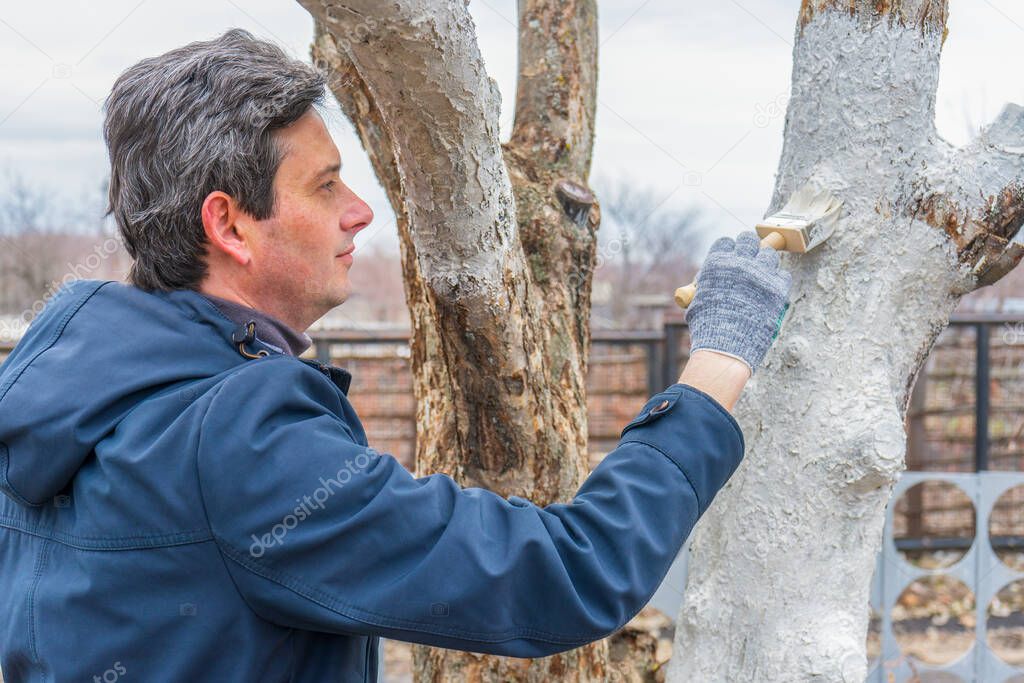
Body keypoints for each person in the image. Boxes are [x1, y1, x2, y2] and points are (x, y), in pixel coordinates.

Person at [0, 29, 791, 682]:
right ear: (231, 225)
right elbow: (568, 574)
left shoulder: (51, 392)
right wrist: (716, 366)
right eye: (325, 186)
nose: (359, 211)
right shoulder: (239, 438)